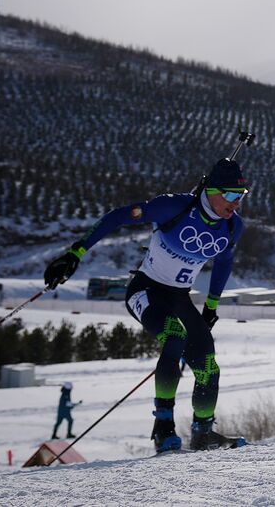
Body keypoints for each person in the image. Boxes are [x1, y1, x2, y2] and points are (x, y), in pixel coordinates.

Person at [43, 157, 249, 453]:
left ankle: (203, 432)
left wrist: (212, 306)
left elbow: (224, 262)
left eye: (241, 196)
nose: (235, 203)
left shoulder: (232, 227)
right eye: (230, 195)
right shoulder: (175, 207)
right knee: (174, 337)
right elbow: (117, 217)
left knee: (208, 364)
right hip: (145, 291)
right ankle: (163, 426)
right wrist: (75, 253)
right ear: (211, 191)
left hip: (179, 297)